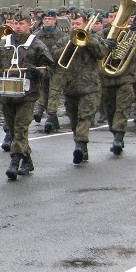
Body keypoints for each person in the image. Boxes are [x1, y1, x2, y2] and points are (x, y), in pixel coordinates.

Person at [0, 9, 54, 180]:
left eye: (21, 23)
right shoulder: (4, 42)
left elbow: (50, 69)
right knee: (14, 130)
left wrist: (37, 72)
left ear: (30, 25)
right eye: (15, 23)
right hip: (7, 93)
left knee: (21, 128)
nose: (18, 27)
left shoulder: (36, 44)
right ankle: (27, 160)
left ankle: (14, 162)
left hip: (27, 94)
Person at [50, 11, 107, 164]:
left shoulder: (94, 38)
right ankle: (81, 146)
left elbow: (102, 53)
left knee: (85, 117)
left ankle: (80, 146)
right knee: (74, 119)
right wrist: (70, 45)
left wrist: (88, 41)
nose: (75, 27)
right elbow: (55, 56)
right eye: (73, 24)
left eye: (78, 24)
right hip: (70, 87)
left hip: (90, 88)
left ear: (85, 23)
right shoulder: (64, 40)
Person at [100, 13, 136, 155]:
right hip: (107, 78)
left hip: (126, 77)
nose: (114, 19)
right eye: (112, 17)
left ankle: (118, 137)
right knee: (110, 110)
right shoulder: (103, 33)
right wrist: (103, 45)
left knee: (122, 108)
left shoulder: (133, 33)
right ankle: (115, 132)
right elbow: (94, 50)